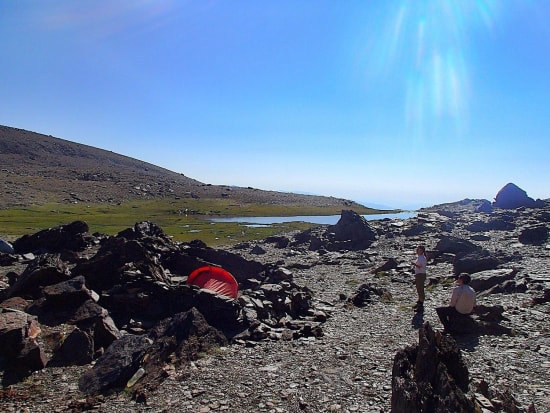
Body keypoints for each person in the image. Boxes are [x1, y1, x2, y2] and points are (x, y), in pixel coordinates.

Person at [411, 245, 427, 312]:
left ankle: (421, 304)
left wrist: (414, 264)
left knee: (420, 289)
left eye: (419, 250)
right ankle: (419, 301)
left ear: (422, 251)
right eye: (417, 249)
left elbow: (421, 267)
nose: (417, 251)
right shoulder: (420, 257)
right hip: (418, 274)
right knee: (418, 288)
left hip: (421, 274)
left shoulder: (422, 258)